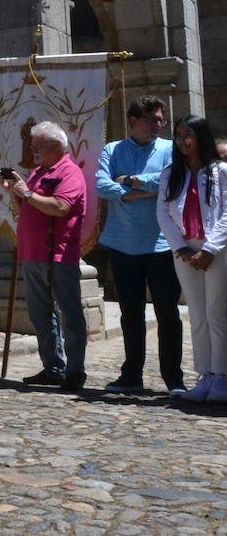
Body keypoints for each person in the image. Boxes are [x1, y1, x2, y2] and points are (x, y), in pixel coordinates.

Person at [94, 95, 181, 394]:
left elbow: (170, 182)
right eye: (151, 119)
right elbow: (102, 185)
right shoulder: (112, 149)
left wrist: (130, 181)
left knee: (167, 313)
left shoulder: (170, 149)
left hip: (160, 244)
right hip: (122, 242)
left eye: (160, 119)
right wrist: (144, 189)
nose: (157, 125)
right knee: (130, 313)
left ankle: (174, 378)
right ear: (133, 120)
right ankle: (131, 374)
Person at [4, 120, 89, 391]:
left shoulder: (69, 172)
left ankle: (74, 370)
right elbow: (23, 209)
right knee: (40, 313)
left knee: (69, 313)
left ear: (55, 145)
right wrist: (15, 192)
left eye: (37, 145)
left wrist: (27, 193)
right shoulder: (38, 172)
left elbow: (61, 207)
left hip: (58, 254)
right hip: (32, 252)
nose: (32, 150)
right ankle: (53, 367)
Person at [156, 115, 227, 402]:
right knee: (197, 314)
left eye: (190, 135)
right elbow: (163, 213)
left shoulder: (220, 171)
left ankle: (221, 376)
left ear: (202, 138)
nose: (184, 141)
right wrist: (182, 248)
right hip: (184, 250)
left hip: (216, 249)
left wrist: (209, 249)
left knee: (216, 313)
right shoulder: (171, 173)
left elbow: (225, 214)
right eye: (179, 135)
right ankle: (204, 376)